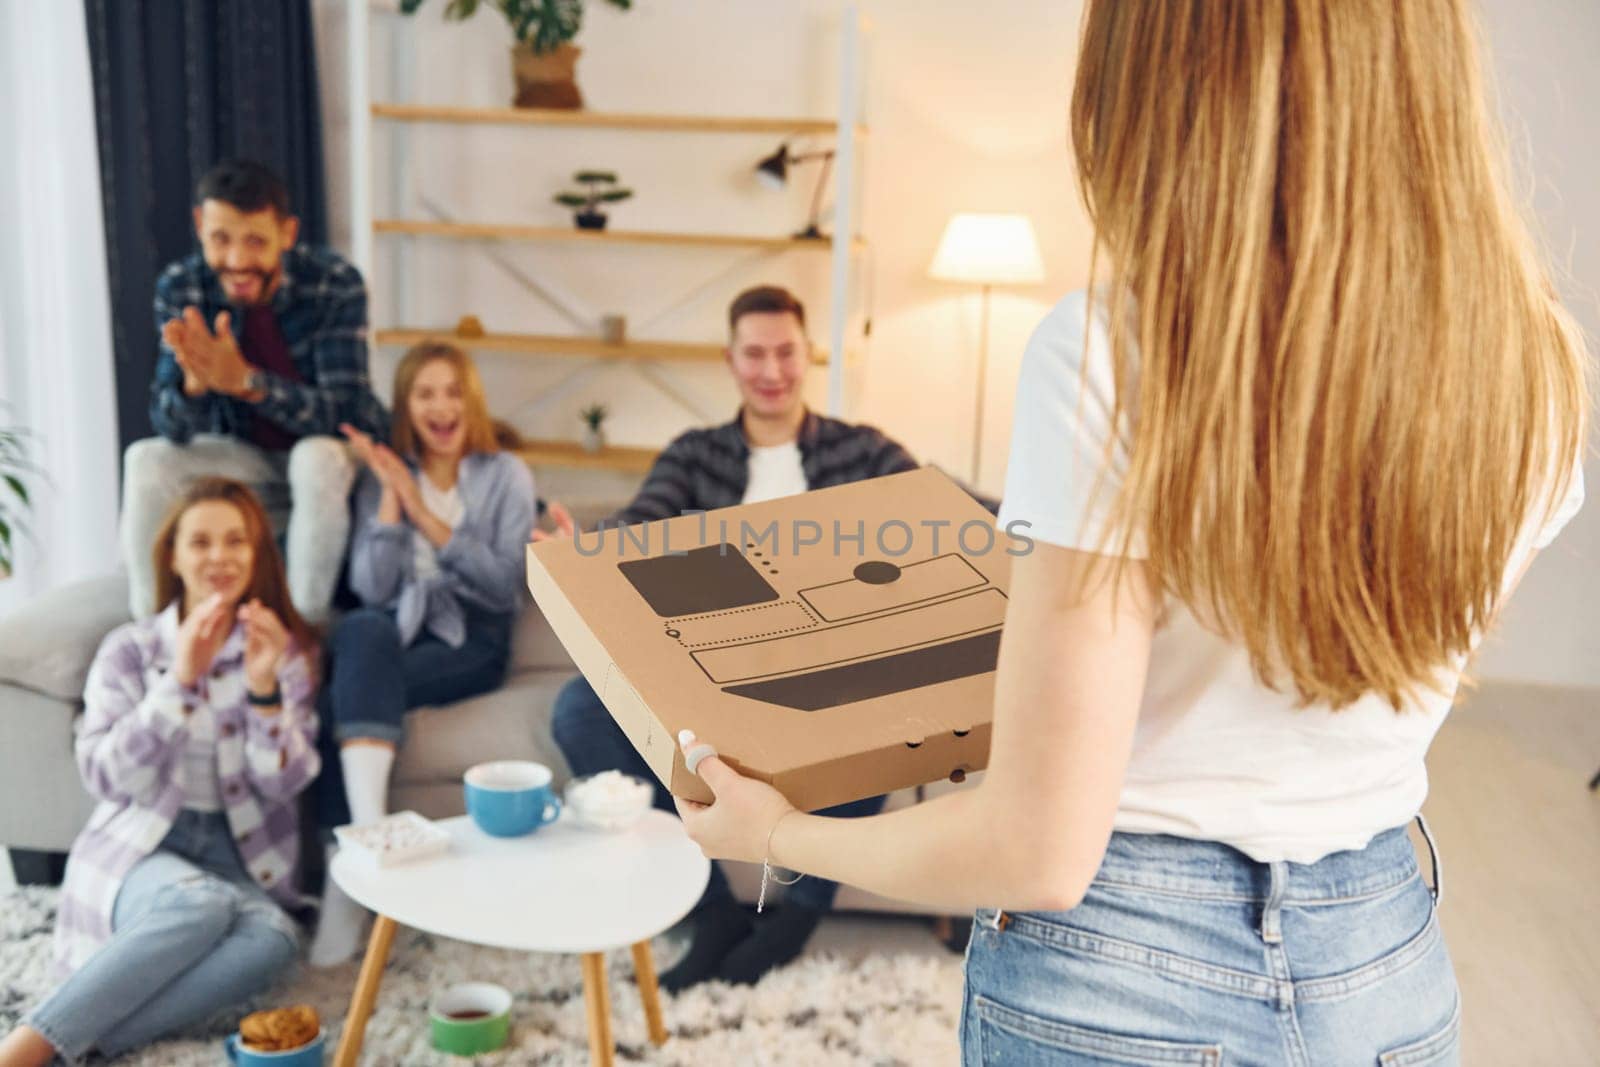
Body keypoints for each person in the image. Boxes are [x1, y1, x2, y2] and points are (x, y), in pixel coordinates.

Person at [668, 2, 1588, 1063]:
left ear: (1157, 87)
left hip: (1125, 972)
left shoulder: (1114, 351)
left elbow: (1038, 845)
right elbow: (1366, 653)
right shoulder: (1540, 365)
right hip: (1384, 960)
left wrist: (772, 832)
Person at [543, 284, 946, 991]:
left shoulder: (862, 450)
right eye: (754, 353)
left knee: (904, 705)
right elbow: (642, 521)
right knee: (577, 710)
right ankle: (714, 914)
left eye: (785, 351)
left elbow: (940, 510)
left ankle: (796, 917)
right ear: (731, 361)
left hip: (832, 665)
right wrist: (590, 551)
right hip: (712, 673)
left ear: (807, 355)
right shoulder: (695, 456)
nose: (771, 369)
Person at [0, 480, 321, 1067]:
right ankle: (24, 1049)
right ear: (172, 556)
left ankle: (85, 1046)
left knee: (274, 940)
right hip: (142, 850)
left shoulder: (281, 651)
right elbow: (103, 776)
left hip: (241, 858)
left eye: (235, 542)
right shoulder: (129, 651)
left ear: (256, 556)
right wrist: (178, 682)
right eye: (200, 542)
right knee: (199, 906)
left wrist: (265, 692)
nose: (219, 557)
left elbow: (285, 784)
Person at [308, 340, 537, 966]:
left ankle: (349, 868)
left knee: (343, 690)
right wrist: (388, 494)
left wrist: (420, 511)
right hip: (397, 635)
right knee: (360, 630)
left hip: (474, 638)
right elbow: (374, 589)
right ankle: (369, 834)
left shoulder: (505, 475)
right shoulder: (385, 477)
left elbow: (498, 584)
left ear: (471, 402)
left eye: (452, 392)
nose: (440, 406)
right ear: (407, 405)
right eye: (425, 393)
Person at [120, 157, 388, 624]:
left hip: (333, 463)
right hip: (248, 460)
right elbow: (169, 424)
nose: (238, 261)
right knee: (146, 460)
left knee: (316, 458)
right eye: (221, 239)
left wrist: (247, 384)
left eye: (255, 241)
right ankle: (152, 634)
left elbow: (347, 416)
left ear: (287, 234)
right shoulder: (183, 287)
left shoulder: (333, 284)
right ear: (200, 225)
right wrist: (193, 388)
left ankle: (305, 633)